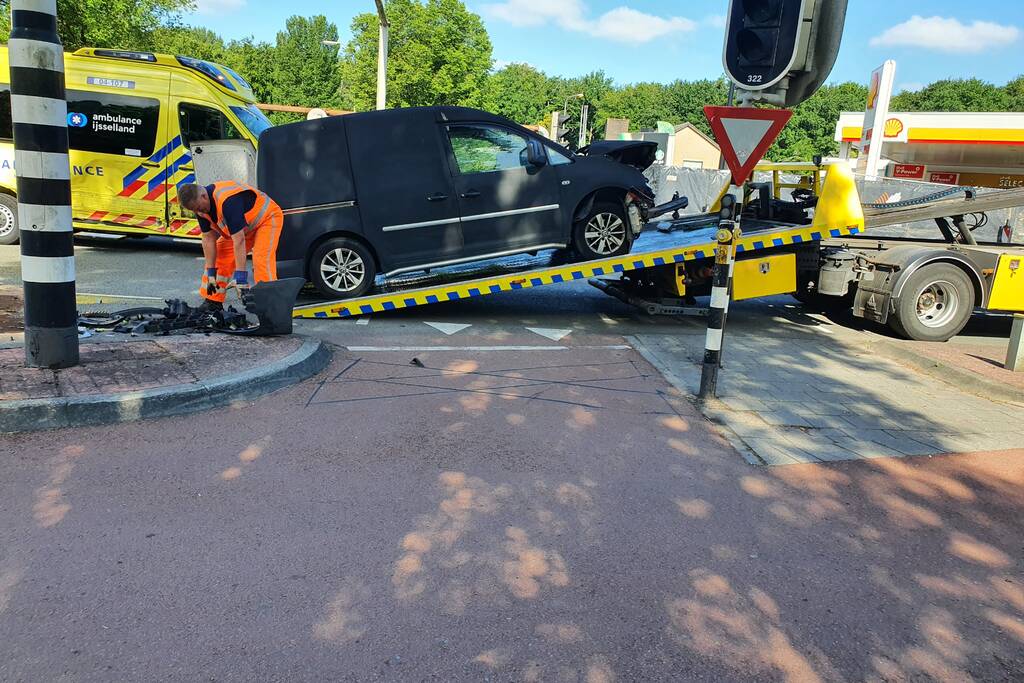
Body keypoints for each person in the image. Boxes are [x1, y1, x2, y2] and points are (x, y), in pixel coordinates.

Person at [178, 182, 284, 311]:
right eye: (194, 210)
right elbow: (208, 238)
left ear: (203, 196)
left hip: (266, 219)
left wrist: (241, 280)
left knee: (261, 260)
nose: (198, 212)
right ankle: (213, 302)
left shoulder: (227, 201)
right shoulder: (200, 208)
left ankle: (272, 308)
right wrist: (211, 273)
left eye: (199, 208)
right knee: (220, 255)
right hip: (244, 228)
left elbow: (239, 241)